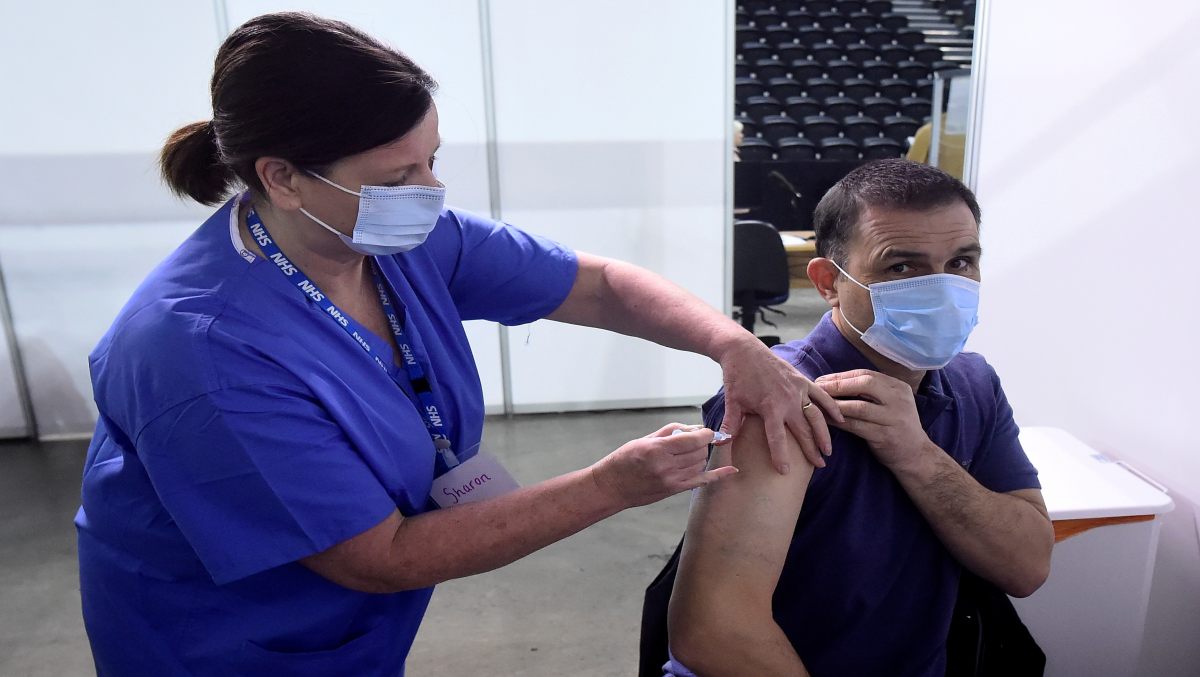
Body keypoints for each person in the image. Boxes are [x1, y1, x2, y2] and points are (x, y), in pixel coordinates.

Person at [74, 12, 843, 675]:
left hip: (356, 626)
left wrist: (734, 346)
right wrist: (613, 484)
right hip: (220, 639)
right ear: (282, 177)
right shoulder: (202, 353)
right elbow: (380, 556)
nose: (430, 193)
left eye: (432, 160)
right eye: (396, 176)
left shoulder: (391, 240)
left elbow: (599, 285)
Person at [663, 159, 1055, 676]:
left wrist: (917, 455)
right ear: (828, 281)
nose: (942, 288)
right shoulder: (780, 398)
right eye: (902, 267)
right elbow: (714, 632)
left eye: (961, 262)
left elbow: (1026, 566)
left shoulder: (973, 383)